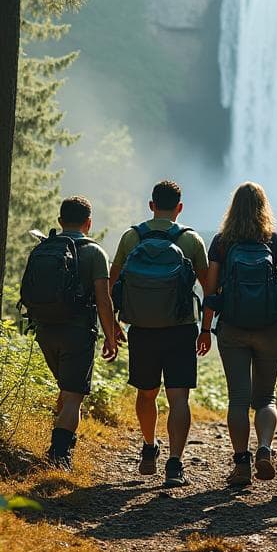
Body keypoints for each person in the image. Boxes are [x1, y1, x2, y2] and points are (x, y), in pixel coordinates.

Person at [110, 180, 210, 488]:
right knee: (179, 397)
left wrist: (112, 324)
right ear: (180, 207)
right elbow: (209, 289)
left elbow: (113, 283)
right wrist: (205, 329)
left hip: (141, 328)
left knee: (146, 392)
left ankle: (149, 445)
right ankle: (175, 463)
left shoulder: (132, 237)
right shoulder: (191, 240)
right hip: (181, 329)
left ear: (151, 205)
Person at [198, 182, 277, 487]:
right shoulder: (275, 239)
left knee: (238, 399)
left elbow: (211, 289)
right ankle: (264, 449)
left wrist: (205, 327)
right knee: (266, 397)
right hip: (269, 328)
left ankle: (241, 464)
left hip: (233, 328)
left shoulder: (222, 242)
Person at [25, 196, 121, 470]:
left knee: (66, 391)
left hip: (44, 329)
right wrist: (110, 336)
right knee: (73, 396)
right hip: (77, 333)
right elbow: (104, 300)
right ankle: (59, 456)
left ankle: (56, 444)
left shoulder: (44, 249)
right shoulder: (94, 252)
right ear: (88, 223)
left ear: (60, 221)